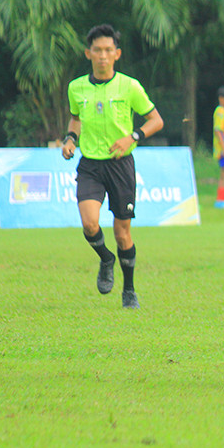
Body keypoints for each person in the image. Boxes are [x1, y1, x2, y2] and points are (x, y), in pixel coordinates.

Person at [61, 24, 164, 309]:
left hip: (120, 165)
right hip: (90, 165)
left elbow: (156, 120)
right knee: (89, 223)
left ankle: (129, 290)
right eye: (98, 50)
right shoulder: (76, 87)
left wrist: (133, 136)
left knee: (122, 232)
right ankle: (106, 259)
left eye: (108, 50)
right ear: (88, 53)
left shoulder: (130, 86)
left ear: (117, 54)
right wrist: (71, 139)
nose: (103, 56)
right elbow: (75, 119)